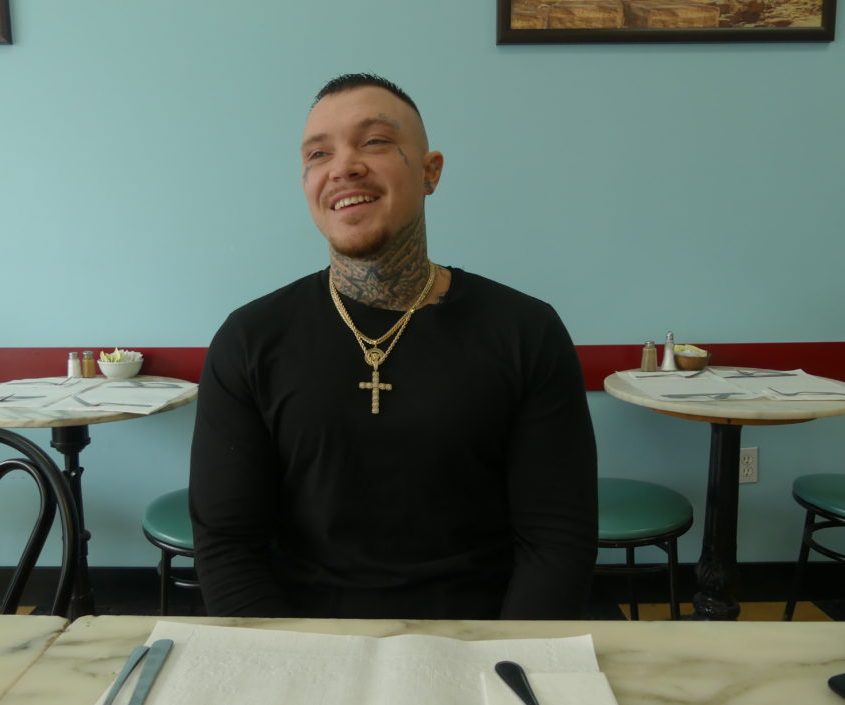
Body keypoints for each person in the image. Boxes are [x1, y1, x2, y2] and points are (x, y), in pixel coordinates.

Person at [190, 73, 597, 620]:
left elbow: (557, 542)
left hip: (481, 640)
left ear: (431, 172)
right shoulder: (249, 340)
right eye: (317, 154)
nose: (342, 167)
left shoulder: (526, 331)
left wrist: (506, 663)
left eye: (375, 141)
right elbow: (227, 547)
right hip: (309, 642)